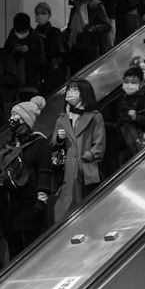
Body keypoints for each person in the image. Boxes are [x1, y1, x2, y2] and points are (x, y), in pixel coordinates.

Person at [0, 96, 54, 261]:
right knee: (15, 255)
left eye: (16, 118)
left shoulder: (39, 143)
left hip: (30, 207)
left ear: (26, 120)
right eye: (11, 117)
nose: (12, 121)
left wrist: (42, 198)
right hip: (10, 210)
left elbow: (44, 172)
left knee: (34, 254)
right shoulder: (7, 146)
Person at [52, 79, 105, 225]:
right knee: (64, 206)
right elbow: (53, 144)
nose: (70, 93)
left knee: (87, 207)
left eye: (75, 90)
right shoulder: (61, 119)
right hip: (66, 170)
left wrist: (88, 156)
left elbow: (99, 144)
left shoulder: (94, 117)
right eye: (69, 90)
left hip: (86, 169)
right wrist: (59, 139)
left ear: (84, 93)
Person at [104, 68, 145, 165]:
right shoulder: (121, 100)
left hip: (138, 145)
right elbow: (121, 125)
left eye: (133, 82)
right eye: (126, 82)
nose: (129, 85)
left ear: (141, 83)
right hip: (123, 145)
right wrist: (103, 124)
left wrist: (136, 118)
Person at [65, 0, 112, 75]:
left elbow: (107, 25)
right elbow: (70, 27)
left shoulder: (96, 5)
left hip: (90, 48)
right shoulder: (75, 7)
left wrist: (92, 29)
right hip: (75, 48)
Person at [4, 12, 46, 99]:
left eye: (23, 32)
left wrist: (27, 53)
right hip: (12, 86)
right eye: (17, 32)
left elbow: (43, 64)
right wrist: (12, 50)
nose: (20, 34)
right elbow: (4, 58)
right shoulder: (10, 40)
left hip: (31, 86)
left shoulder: (37, 40)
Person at [33, 3, 67, 94]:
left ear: (49, 15)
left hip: (52, 71)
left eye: (43, 13)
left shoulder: (55, 32)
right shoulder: (33, 34)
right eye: (37, 13)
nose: (40, 16)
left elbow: (59, 52)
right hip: (37, 72)